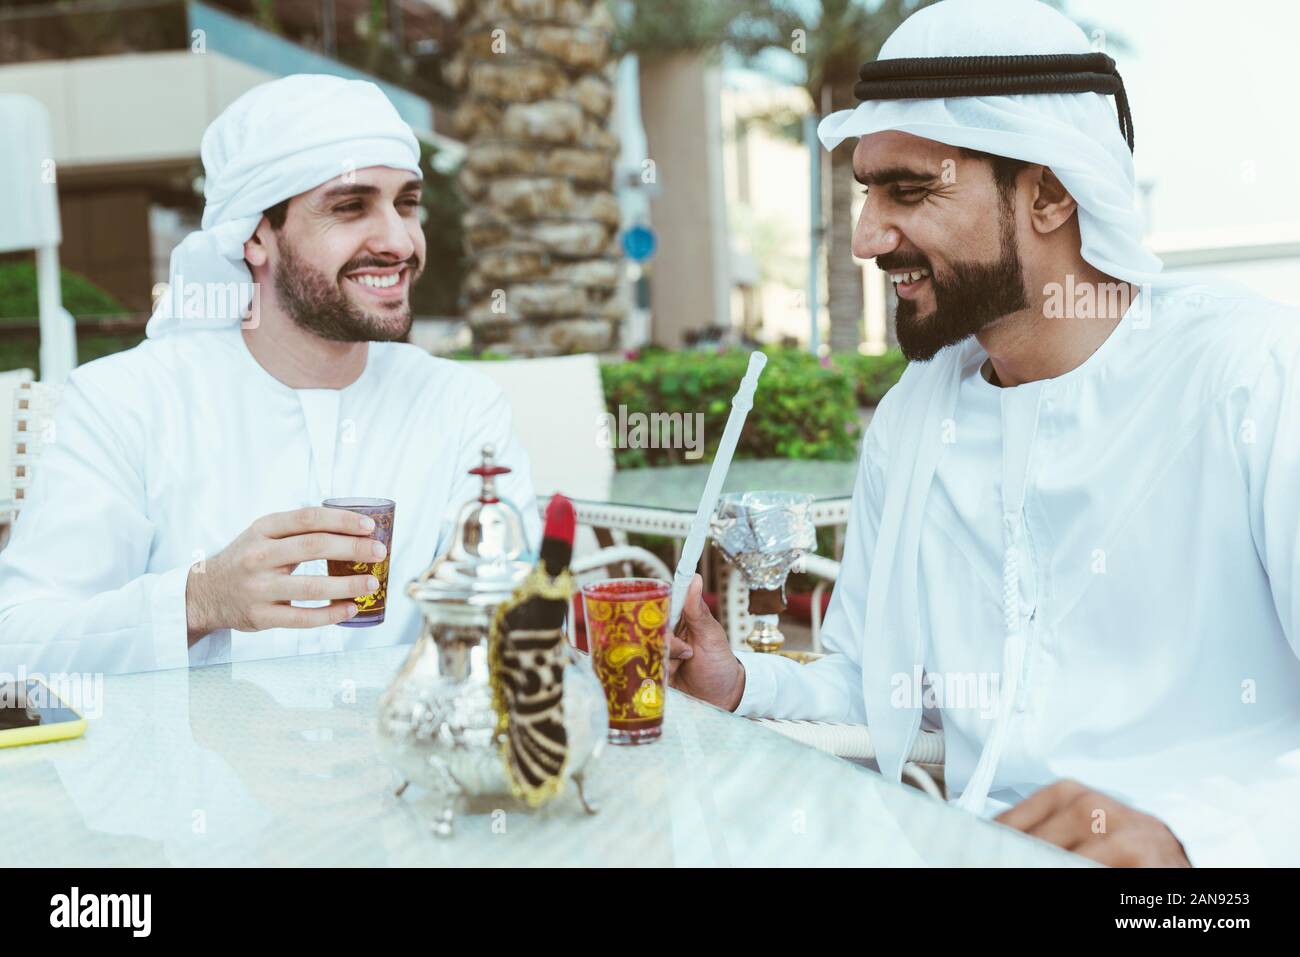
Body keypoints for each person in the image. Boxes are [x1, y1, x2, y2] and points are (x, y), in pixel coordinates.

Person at [671, 0, 1300, 867]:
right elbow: (871, 685)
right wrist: (740, 682)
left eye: (912, 189)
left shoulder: (1256, 375)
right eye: (867, 193)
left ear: (1049, 193)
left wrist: (1196, 843)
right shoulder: (914, 415)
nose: (866, 237)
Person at [0, 75, 538, 676]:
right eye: (350, 206)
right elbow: (19, 643)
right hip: (188, 769)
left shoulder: (463, 406)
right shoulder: (125, 402)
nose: (398, 240)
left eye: (406, 203)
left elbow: (517, 616)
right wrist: (201, 600)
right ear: (254, 235)